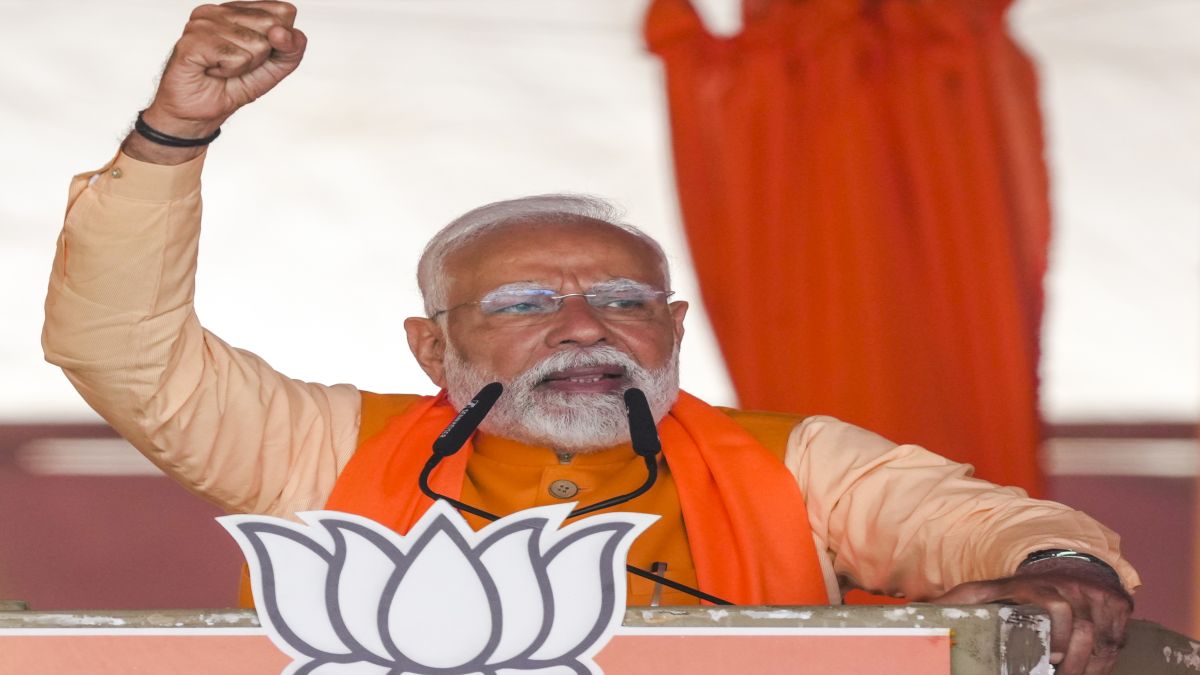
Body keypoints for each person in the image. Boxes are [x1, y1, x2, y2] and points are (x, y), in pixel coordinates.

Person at [42, 3, 1138, 674]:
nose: (579, 327)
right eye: (520, 307)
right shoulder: (317, 448)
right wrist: (173, 134)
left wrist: (1061, 568)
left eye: (620, 299)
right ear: (432, 350)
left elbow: (978, 523)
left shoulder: (790, 460)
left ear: (671, 329)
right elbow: (119, 346)